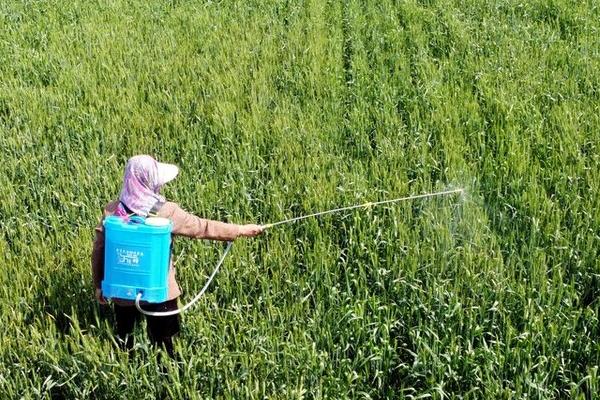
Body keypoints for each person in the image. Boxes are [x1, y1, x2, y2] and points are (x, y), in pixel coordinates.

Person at [91, 155, 263, 358]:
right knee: (167, 345)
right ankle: (168, 378)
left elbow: (98, 251)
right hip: (160, 292)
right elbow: (202, 227)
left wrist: (99, 285)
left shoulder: (112, 212)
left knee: (124, 340)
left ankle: (127, 370)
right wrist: (240, 230)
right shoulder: (166, 212)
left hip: (123, 293)